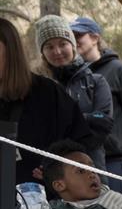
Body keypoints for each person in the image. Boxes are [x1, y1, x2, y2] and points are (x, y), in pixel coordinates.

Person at [0, 18, 92, 185]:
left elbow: (79, 143)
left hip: (39, 199)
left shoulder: (47, 93)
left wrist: (56, 170)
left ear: (11, 51)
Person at [34, 15, 113, 170]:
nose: (57, 51)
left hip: (92, 168)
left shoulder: (96, 82)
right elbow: (36, 129)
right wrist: (84, 120)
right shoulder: (36, 88)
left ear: (73, 46)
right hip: (51, 172)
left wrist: (63, 121)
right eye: (49, 47)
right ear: (43, 52)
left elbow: (103, 122)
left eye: (63, 44)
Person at [72, 16, 122, 197]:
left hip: (116, 160)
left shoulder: (119, 70)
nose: (74, 40)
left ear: (95, 38)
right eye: (71, 36)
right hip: (84, 160)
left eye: (79, 35)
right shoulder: (74, 77)